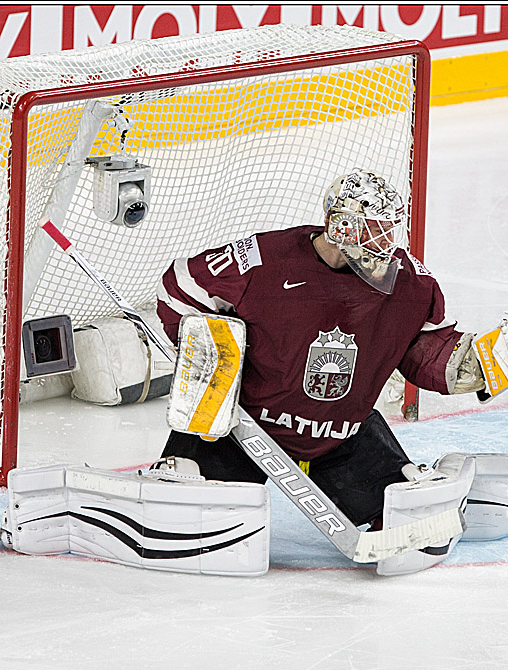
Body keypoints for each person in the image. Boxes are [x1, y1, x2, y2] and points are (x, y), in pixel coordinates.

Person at [154, 169, 487, 530]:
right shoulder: (263, 260)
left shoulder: (411, 284)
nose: (385, 241)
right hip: (240, 428)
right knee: (189, 519)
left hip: (342, 437)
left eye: (389, 228)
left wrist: (495, 362)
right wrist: (211, 363)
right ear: (339, 226)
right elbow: (180, 287)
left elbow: (431, 354)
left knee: (405, 518)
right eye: (373, 229)